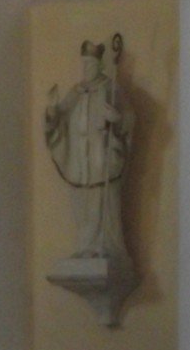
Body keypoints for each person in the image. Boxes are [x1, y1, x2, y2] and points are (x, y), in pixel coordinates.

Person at [43, 38, 134, 261]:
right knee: (82, 205)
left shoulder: (111, 88)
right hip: (79, 163)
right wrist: (52, 110)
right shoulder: (75, 92)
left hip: (102, 160)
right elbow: (59, 117)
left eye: (91, 64)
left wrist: (117, 118)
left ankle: (106, 246)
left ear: (100, 65)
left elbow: (129, 120)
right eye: (83, 64)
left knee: (103, 204)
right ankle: (85, 246)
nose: (86, 68)